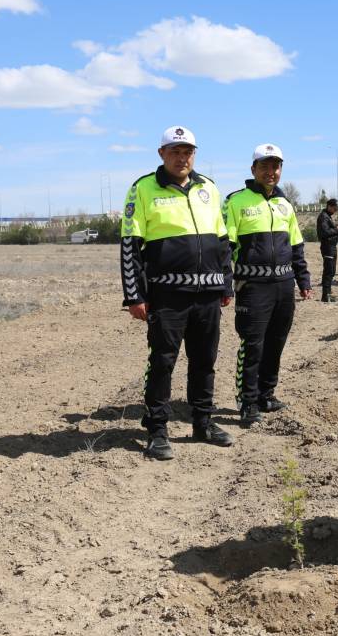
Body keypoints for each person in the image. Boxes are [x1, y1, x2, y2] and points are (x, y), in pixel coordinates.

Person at [120, 126, 235, 460]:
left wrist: (225, 283)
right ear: (161, 154)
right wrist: (134, 295)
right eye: (174, 151)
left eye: (187, 152)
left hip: (208, 294)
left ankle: (203, 422)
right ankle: (157, 429)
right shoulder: (143, 189)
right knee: (162, 362)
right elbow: (130, 245)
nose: (182, 158)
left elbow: (223, 240)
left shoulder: (209, 188)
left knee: (205, 360)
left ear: (194, 155)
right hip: (167, 294)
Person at [224, 144, 313, 426]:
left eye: (275, 166)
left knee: (276, 342)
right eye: (264, 166)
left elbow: (296, 245)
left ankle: (266, 394)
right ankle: (247, 402)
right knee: (253, 345)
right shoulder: (236, 202)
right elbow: (226, 247)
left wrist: (303, 279)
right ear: (253, 169)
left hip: (284, 285)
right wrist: (225, 285)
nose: (270, 172)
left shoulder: (285, 204)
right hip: (253, 286)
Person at [316, 198, 338, 302]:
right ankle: (325, 296)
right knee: (328, 271)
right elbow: (325, 232)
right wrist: (337, 229)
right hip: (327, 247)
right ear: (329, 206)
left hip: (332, 246)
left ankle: (328, 293)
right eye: (334, 208)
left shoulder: (328, 216)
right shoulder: (323, 217)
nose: (335, 211)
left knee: (332, 271)